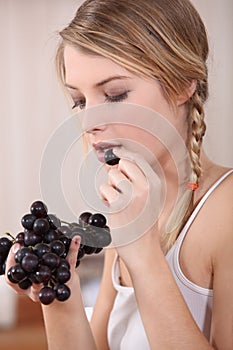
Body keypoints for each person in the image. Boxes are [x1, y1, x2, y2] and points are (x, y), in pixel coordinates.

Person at [5, 0, 233, 349]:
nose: (88, 123)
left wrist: (143, 253)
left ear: (183, 84)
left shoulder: (226, 212)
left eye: (114, 95)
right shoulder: (130, 210)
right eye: (80, 102)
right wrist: (58, 290)